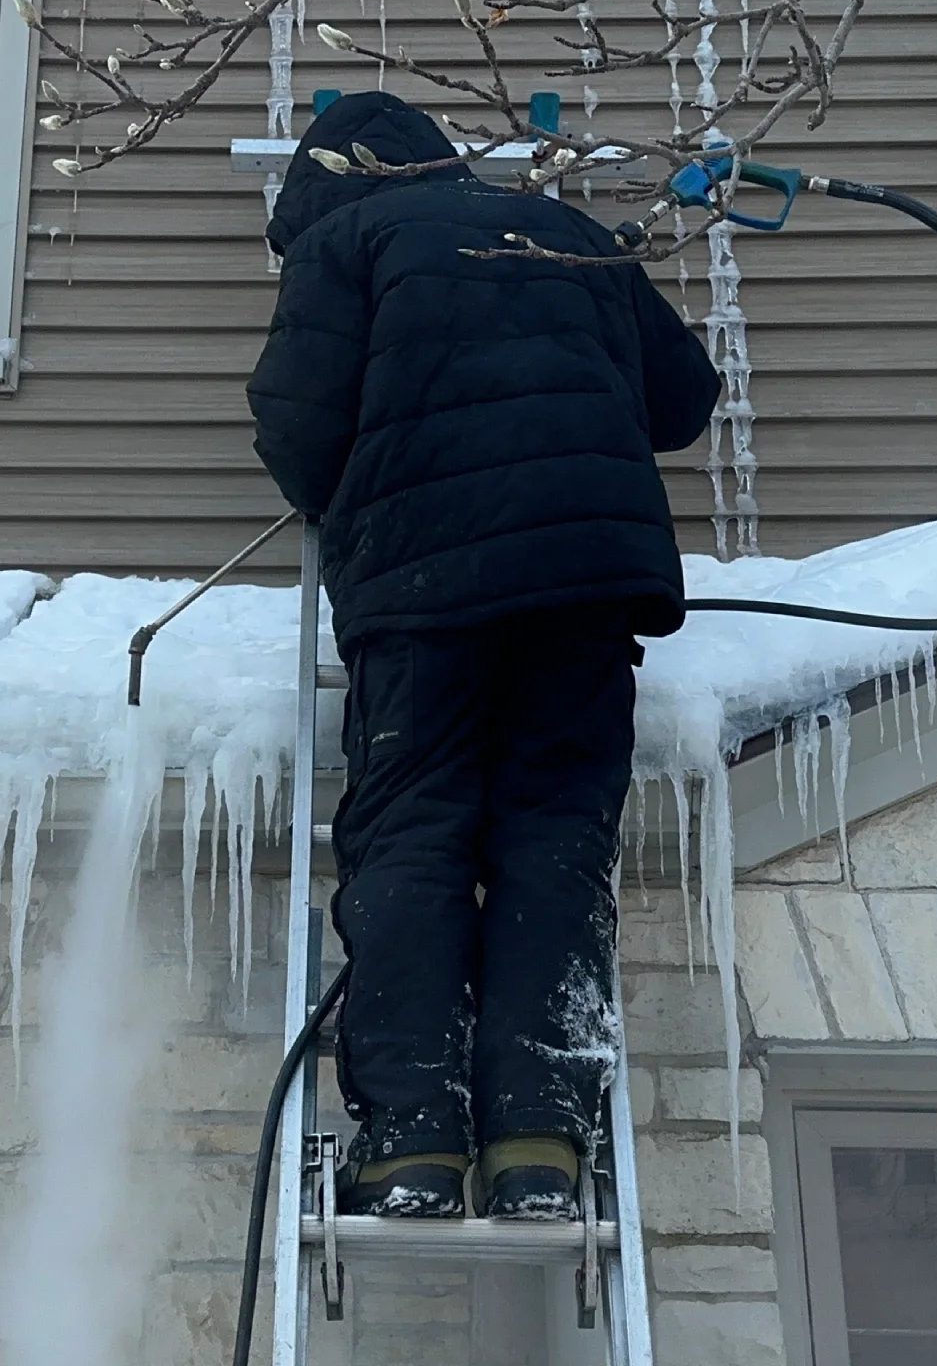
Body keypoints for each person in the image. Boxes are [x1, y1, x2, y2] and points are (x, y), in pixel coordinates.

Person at [246, 92, 720, 1220]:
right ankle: (540, 1143)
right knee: (555, 834)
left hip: (428, 586)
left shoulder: (345, 242)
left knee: (414, 826)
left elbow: (297, 427)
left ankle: (414, 1139)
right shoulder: (560, 231)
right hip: (588, 581)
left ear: (329, 185)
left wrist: (361, 497)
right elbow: (688, 397)